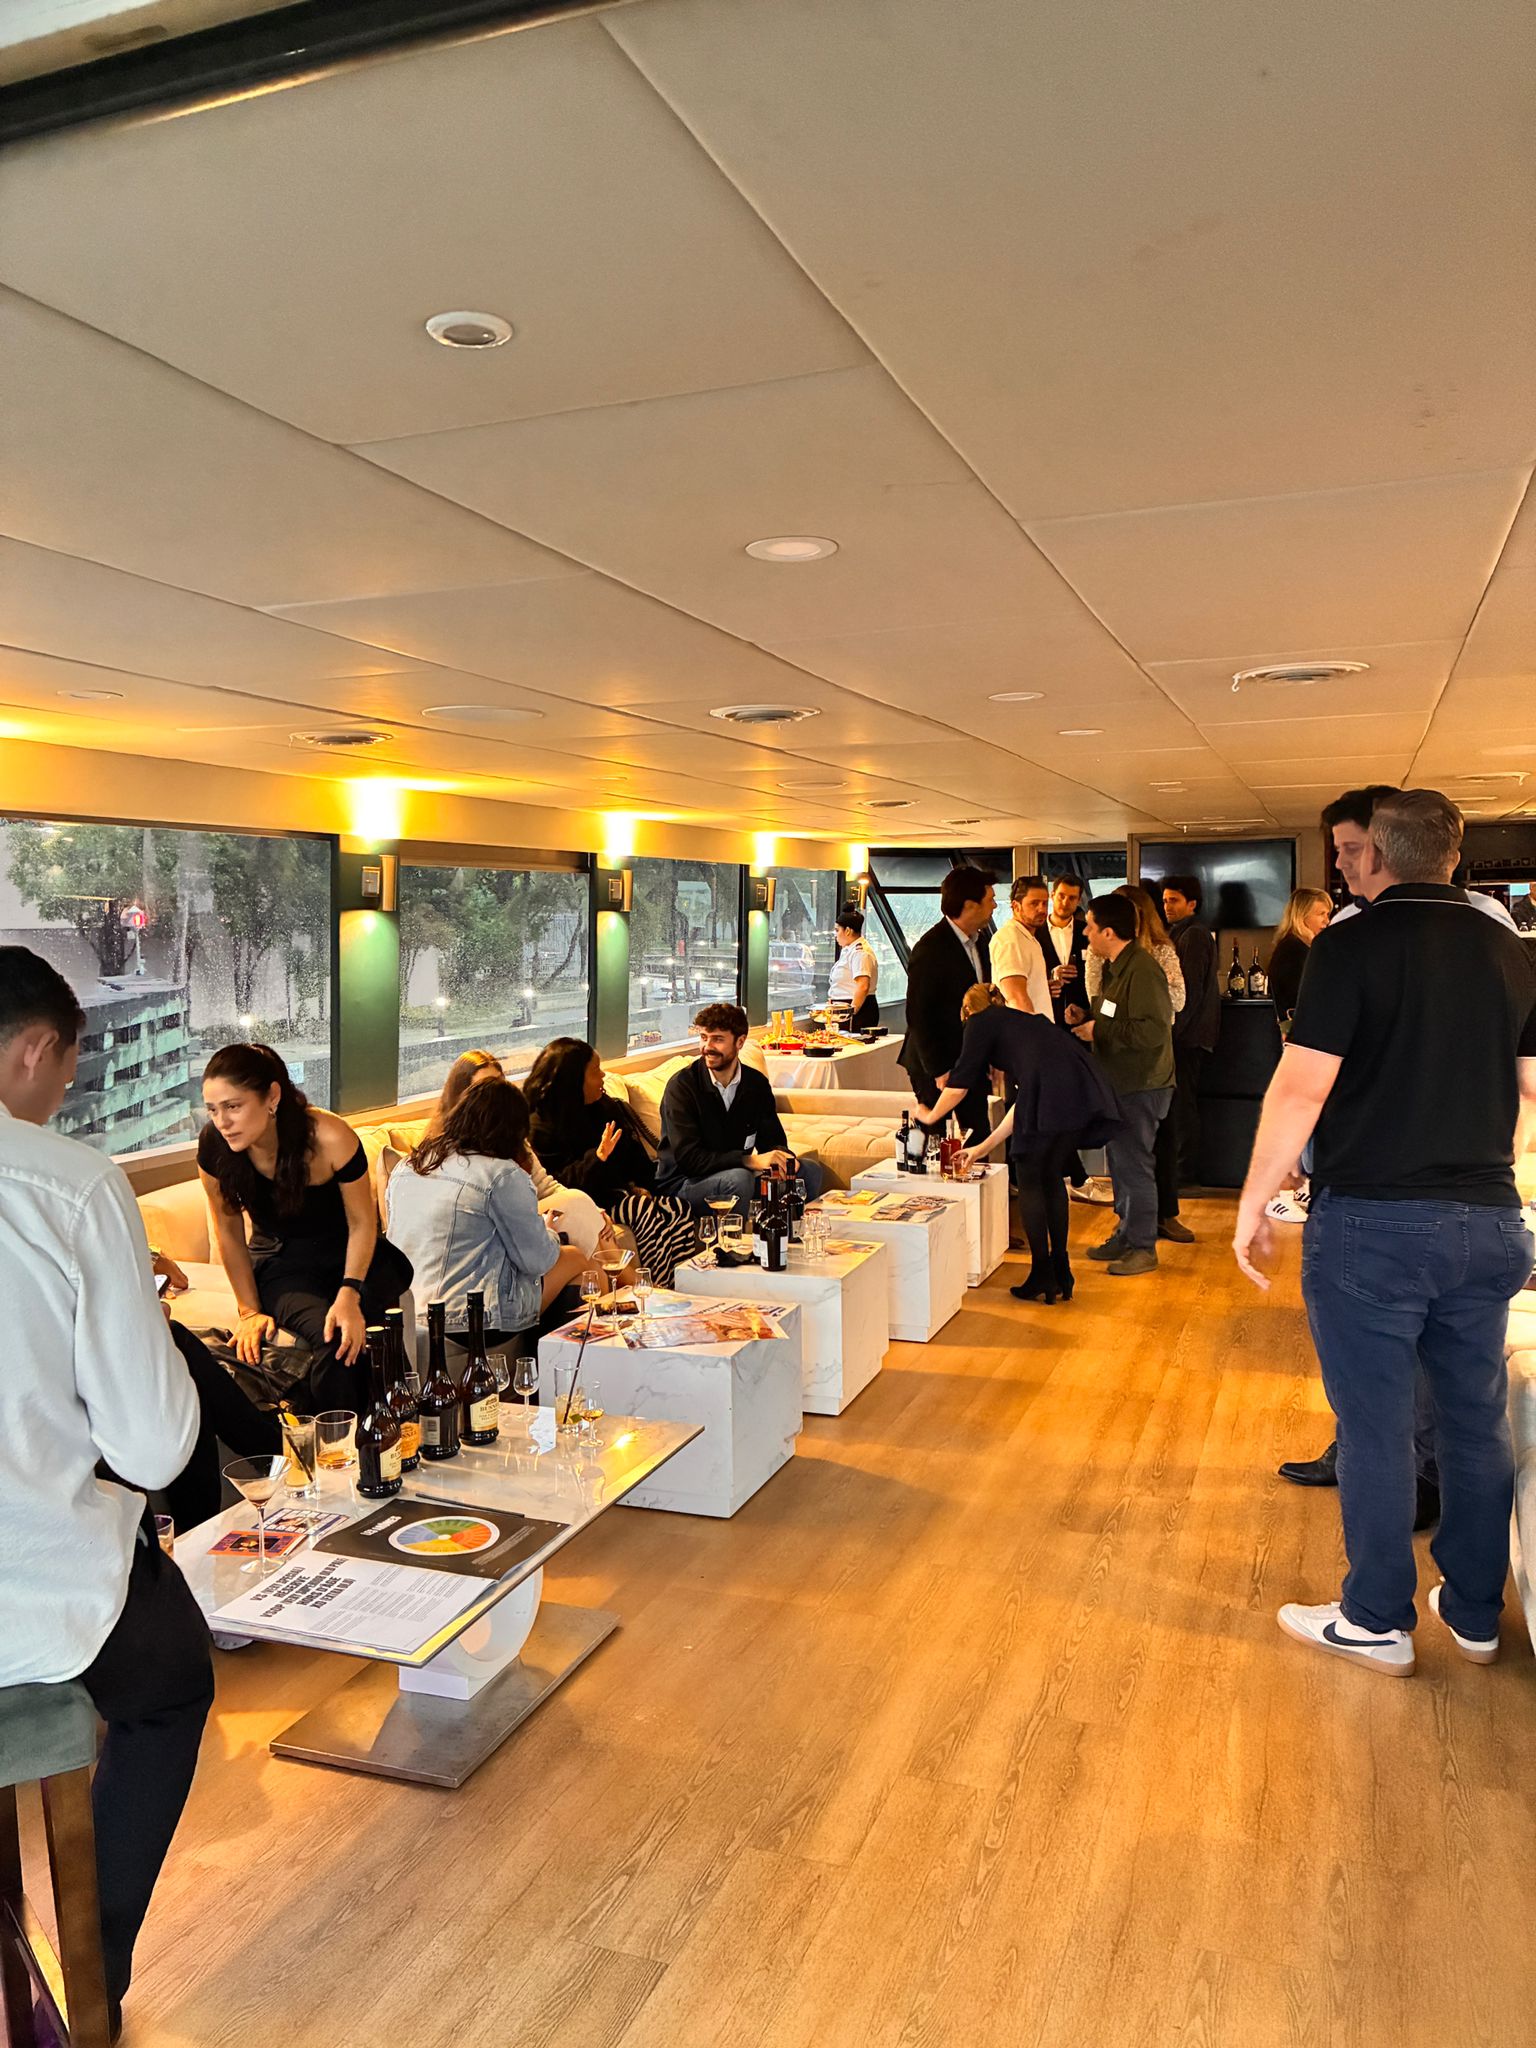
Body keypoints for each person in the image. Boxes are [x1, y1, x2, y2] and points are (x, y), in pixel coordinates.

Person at [1233, 791, 1536, 1676]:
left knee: (1376, 1427)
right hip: (1489, 1221)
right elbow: (1530, 1088)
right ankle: (1475, 1614)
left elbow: (1302, 1088)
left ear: (1379, 855)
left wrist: (1253, 1201)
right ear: (1455, 854)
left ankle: (1375, 1619)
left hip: (1373, 1224)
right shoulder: (1511, 950)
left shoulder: (1350, 945)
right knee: (1474, 1422)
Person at [0, 947, 214, 2035]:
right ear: (36, 1048)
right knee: (170, 1680)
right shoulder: (67, 1183)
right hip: (31, 1584)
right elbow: (155, 1442)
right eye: (70, 1065)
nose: (68, 1087)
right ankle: (91, 1975)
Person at [198, 1043, 412, 1415]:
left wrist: (349, 1293)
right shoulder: (214, 1146)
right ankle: (341, 1441)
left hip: (353, 1254)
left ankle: (395, 1429)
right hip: (283, 1262)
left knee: (375, 1335)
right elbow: (228, 1232)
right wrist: (248, 1311)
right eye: (213, 1109)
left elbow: (363, 1222)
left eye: (233, 1106)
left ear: (272, 1096)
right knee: (335, 1338)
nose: (222, 1122)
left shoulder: (330, 1136)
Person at [917, 997, 1122, 1303]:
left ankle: (1042, 1273)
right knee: (1051, 1176)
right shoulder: (1025, 1024)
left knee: (1029, 1178)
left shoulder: (979, 1022)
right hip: (1080, 1085)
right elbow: (1026, 1103)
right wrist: (980, 1148)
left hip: (1055, 1088)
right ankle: (1061, 1270)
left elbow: (959, 1084)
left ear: (967, 1012)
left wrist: (930, 1115)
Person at [386, 1075, 590, 1344]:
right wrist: (549, 1232)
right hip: (473, 1318)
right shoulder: (502, 1174)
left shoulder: (409, 1166)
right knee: (577, 1259)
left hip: (410, 1311)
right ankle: (563, 1359)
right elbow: (537, 1261)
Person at [524, 1037, 698, 1283]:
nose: (603, 1076)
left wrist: (638, 1185)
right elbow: (561, 1183)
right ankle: (655, 1286)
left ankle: (682, 1282)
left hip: (616, 1192)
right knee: (642, 1209)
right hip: (588, 1201)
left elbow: (633, 1157)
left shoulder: (602, 1106)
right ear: (575, 1079)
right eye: (596, 1071)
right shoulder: (541, 1125)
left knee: (678, 1207)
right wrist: (598, 1158)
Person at [1074, 895, 1175, 1276]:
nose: (1085, 932)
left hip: (1142, 1085)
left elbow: (1152, 1031)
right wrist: (1088, 1016)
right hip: (1120, 1083)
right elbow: (1118, 1013)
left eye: (1090, 925)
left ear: (1108, 932)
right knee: (1120, 1165)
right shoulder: (1117, 967)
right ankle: (1126, 1233)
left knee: (1135, 1167)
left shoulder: (1143, 970)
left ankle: (1143, 1247)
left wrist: (1098, 1031)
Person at [426, 1047, 606, 1257]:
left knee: (585, 1215)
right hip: (494, 1229)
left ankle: (621, 1275)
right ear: (462, 1096)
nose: (493, 1096)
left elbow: (545, 1186)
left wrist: (592, 1211)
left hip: (530, 1219)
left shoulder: (513, 1137)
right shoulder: (445, 1149)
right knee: (577, 1215)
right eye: (483, 1088)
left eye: (498, 1084)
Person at [656, 1002, 824, 1213]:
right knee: (739, 1179)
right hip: (684, 1183)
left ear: (740, 1041)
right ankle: (739, 1236)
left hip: (736, 1174)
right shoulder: (682, 1087)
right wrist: (748, 1161)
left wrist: (783, 1157)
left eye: (718, 1039)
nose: (707, 1047)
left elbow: (772, 1140)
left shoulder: (756, 1084)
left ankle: (789, 1231)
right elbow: (690, 1160)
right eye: (704, 1037)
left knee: (809, 1171)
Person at [898, 864, 996, 1144]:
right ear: (970, 905)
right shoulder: (931, 948)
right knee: (934, 1139)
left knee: (977, 1132)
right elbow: (918, 1014)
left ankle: (977, 1174)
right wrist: (939, 1069)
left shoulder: (981, 941)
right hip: (934, 1061)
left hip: (969, 1056)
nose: (994, 906)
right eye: (990, 899)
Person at [1159, 873, 1220, 1193]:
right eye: (1165, 900)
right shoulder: (1180, 933)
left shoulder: (1193, 935)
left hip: (1187, 1036)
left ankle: (1184, 1175)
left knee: (1183, 1106)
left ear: (1192, 904)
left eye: (1174, 900)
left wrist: (1171, 1033)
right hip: (1186, 1034)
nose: (1167, 906)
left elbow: (1189, 993)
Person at [1267, 887, 1333, 1028]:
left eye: (1328, 914)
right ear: (1302, 915)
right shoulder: (1292, 949)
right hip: (1298, 1029)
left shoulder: (1297, 945)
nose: (1327, 921)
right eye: (1321, 914)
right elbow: (1302, 995)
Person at [990, 874, 1053, 1018]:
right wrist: (1034, 1031)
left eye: (1045, 903)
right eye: (1034, 903)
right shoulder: (1010, 940)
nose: (1042, 909)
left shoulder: (1027, 938)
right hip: (1027, 1030)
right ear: (1016, 906)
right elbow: (1016, 999)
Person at [1041, 875, 1089, 1025]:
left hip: (1081, 1016)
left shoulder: (1088, 933)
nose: (1065, 902)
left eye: (1072, 898)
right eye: (1061, 896)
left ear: (1079, 900)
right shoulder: (1035, 933)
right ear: (1052, 895)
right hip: (1045, 1016)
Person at [827, 906, 880, 1028]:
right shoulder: (848, 949)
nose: (835, 935)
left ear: (848, 931)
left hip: (857, 1009)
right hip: (843, 1008)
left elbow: (863, 986)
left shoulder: (860, 952)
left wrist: (851, 1013)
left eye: (837, 930)